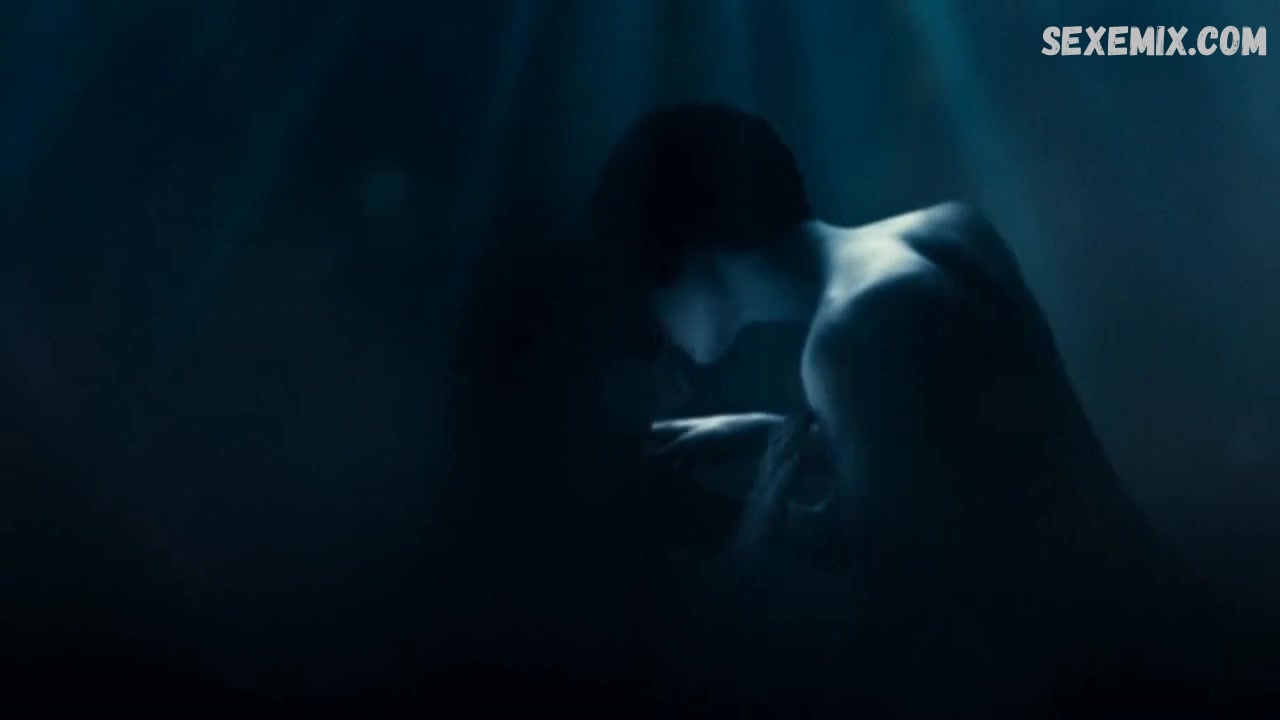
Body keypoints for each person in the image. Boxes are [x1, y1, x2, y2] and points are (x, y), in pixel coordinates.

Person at [591, 103, 1227, 712]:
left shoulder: (848, 338)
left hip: (1110, 687)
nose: (654, 326)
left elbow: (904, 621)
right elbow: (976, 484)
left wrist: (745, 566)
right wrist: (771, 437)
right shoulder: (948, 229)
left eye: (643, 286)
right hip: (1167, 627)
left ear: (689, 252)